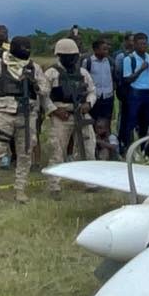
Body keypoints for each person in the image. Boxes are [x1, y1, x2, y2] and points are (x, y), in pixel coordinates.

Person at [0, 36, 45, 202]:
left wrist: (34, 83)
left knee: (25, 153)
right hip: (4, 112)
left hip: (27, 115)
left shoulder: (33, 67)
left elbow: (45, 89)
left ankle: (20, 189)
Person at [40, 38, 97, 196]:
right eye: (68, 56)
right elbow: (44, 96)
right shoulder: (51, 73)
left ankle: (90, 181)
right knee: (58, 150)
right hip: (61, 115)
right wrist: (54, 110)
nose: (71, 59)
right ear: (60, 56)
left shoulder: (83, 73)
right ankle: (54, 185)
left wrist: (89, 104)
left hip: (81, 113)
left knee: (88, 147)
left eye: (74, 55)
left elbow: (92, 91)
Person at [119, 32, 149, 147]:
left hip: (148, 92)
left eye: (145, 44)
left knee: (147, 122)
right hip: (135, 93)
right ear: (134, 44)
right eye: (140, 44)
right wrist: (140, 69)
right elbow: (127, 79)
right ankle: (128, 147)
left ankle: (145, 148)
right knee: (131, 121)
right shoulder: (129, 59)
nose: (143, 46)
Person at [83, 37, 117, 123]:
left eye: (107, 49)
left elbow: (113, 77)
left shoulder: (110, 61)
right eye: (104, 49)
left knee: (106, 122)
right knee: (93, 121)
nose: (106, 51)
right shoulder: (88, 62)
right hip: (94, 97)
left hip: (108, 97)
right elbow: (83, 79)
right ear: (96, 50)